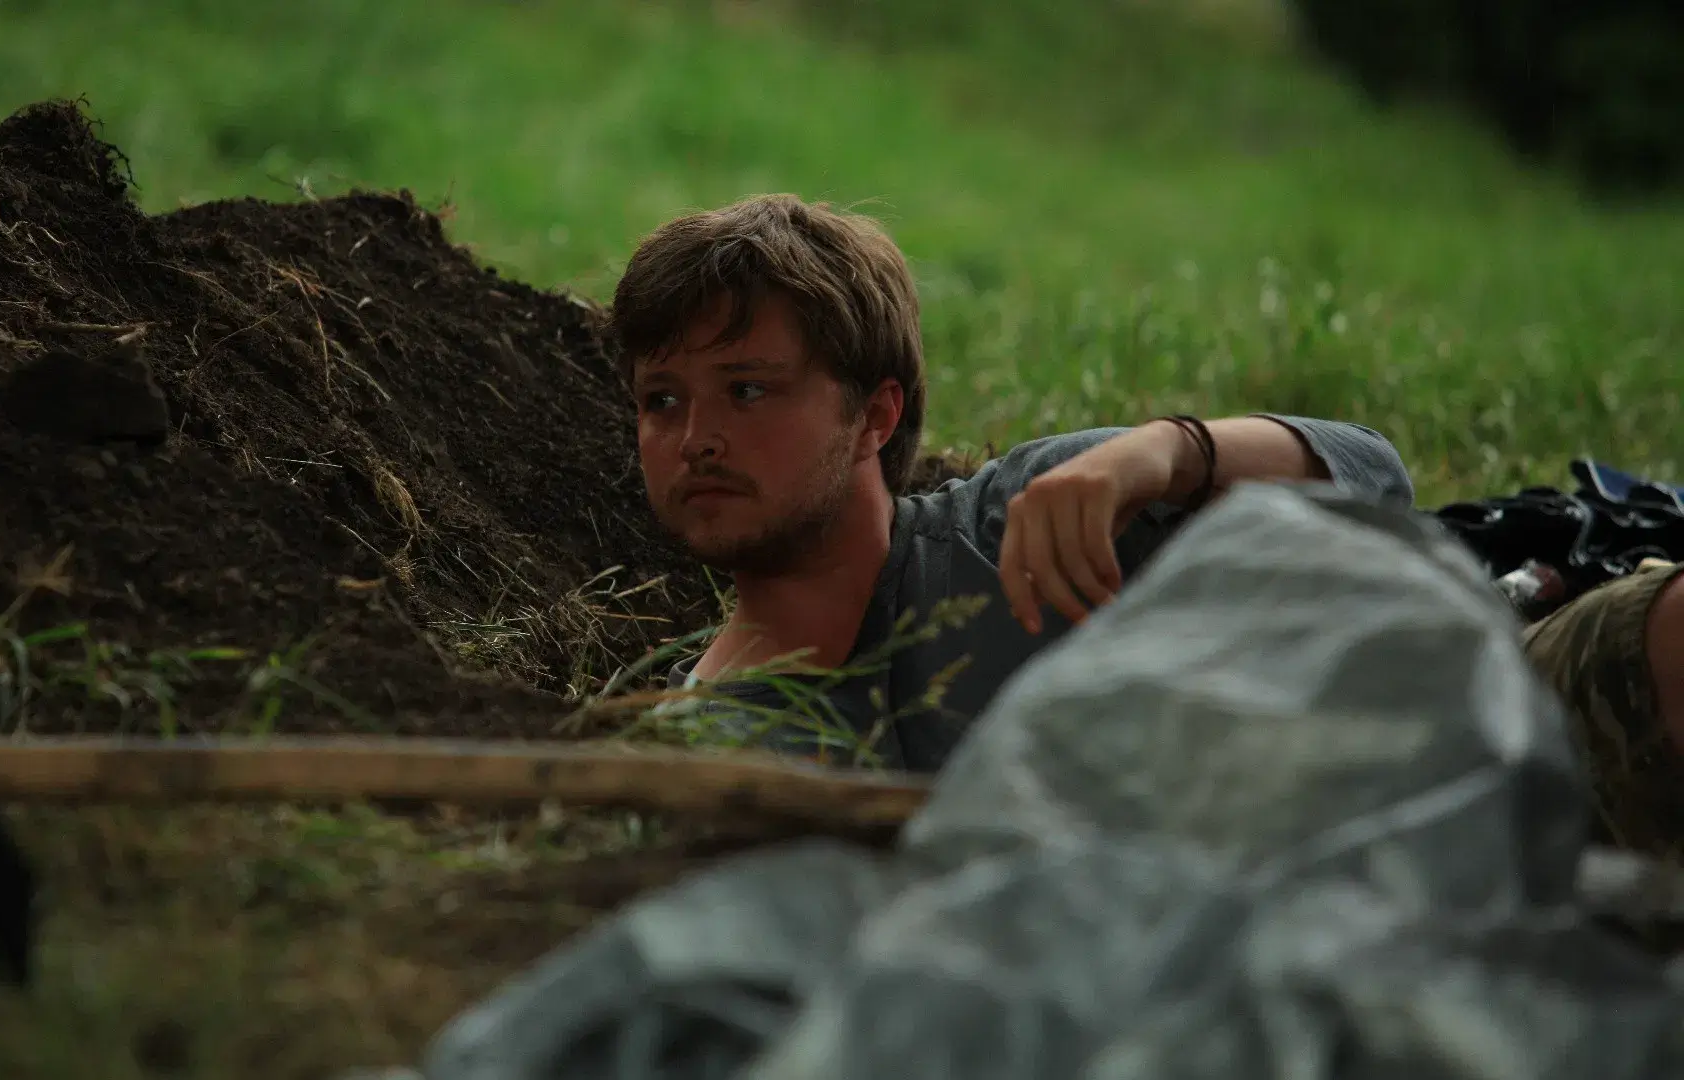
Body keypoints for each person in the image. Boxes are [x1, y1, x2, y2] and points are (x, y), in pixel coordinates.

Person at [608, 194, 1683, 845]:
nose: (697, 437)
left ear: (874, 415)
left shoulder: (1021, 516)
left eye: (747, 390)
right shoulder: (694, 731)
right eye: (662, 401)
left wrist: (1165, 453)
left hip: (1456, 748)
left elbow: (1372, 480)